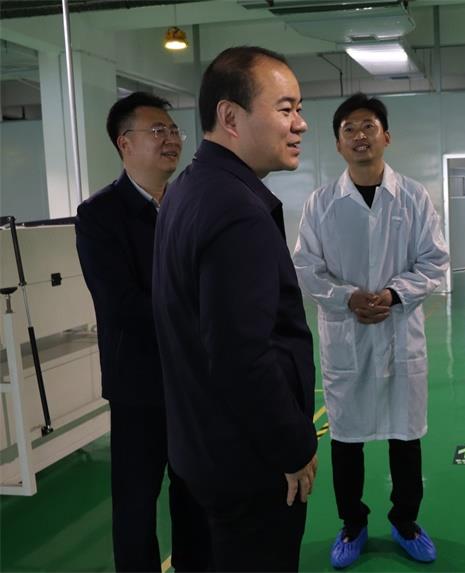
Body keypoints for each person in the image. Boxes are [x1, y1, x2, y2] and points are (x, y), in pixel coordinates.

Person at [151, 47, 318, 572]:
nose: (300, 124)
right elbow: (242, 356)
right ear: (230, 116)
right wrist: (292, 447)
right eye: (286, 109)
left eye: (299, 109)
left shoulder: (186, 191)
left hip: (199, 452)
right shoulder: (237, 209)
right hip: (248, 465)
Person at [293, 92, 449, 569]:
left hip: (399, 333)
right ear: (338, 144)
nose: (360, 136)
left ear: (386, 137)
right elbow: (306, 267)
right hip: (348, 335)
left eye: (368, 126)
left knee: (406, 436)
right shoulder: (321, 203)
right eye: (349, 129)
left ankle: (406, 522)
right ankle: (353, 524)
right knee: (346, 438)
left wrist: (394, 294)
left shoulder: (414, 197)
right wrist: (348, 297)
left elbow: (434, 260)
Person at [75, 92, 210, 572]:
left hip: (194, 381)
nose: (171, 139)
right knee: (136, 501)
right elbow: (121, 304)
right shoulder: (99, 215)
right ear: (125, 143)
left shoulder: (191, 204)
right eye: (157, 131)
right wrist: (202, 317)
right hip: (139, 385)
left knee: (195, 495)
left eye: (173, 130)